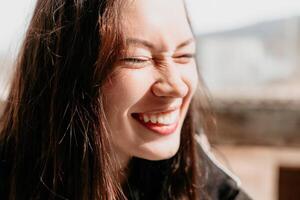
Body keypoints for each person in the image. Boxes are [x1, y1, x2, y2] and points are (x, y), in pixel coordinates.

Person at [0, 0, 252, 199]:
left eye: (184, 54)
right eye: (137, 58)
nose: (176, 85)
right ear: (67, 72)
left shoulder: (202, 184)